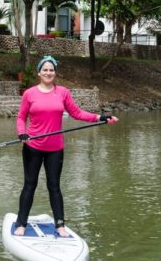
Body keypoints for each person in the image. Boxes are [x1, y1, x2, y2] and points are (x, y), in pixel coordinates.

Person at [15, 55, 118, 237]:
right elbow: (21, 118)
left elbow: (76, 113)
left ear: (55, 73)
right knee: (30, 184)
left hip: (55, 148)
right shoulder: (29, 94)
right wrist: (22, 133)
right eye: (45, 70)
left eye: (51, 70)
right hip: (33, 146)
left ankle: (60, 224)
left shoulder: (62, 92)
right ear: (39, 73)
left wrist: (100, 117)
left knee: (54, 186)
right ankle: (21, 223)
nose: (48, 73)